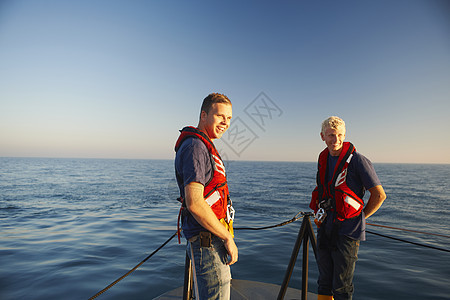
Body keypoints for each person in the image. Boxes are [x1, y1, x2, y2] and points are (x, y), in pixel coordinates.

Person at [310, 116, 386, 300]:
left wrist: (360, 217)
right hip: (325, 227)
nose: (336, 140)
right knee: (324, 281)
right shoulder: (323, 159)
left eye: (340, 135)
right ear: (322, 136)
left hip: (347, 231)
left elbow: (379, 195)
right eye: (331, 135)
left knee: (342, 286)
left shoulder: (358, 161)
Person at [174, 93, 238, 300]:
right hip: (208, 242)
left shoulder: (201, 145)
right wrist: (227, 237)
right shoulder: (195, 147)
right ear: (204, 115)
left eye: (228, 118)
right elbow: (195, 203)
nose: (225, 123)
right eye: (220, 116)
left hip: (208, 238)